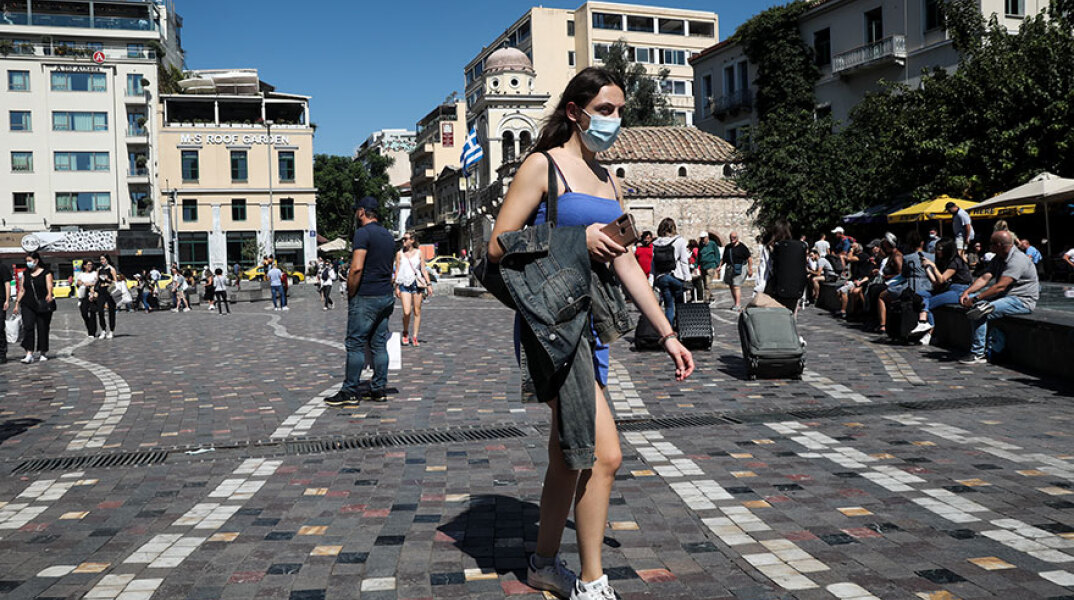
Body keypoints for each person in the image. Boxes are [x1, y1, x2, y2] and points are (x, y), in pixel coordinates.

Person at [484, 67, 694, 600]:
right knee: (604, 454)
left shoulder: (607, 177)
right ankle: (594, 581)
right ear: (576, 112)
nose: (614, 120)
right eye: (605, 110)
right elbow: (496, 247)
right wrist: (579, 237)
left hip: (593, 325)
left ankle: (543, 564)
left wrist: (668, 332)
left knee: (565, 455)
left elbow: (627, 266)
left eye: (620, 110)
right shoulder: (542, 166)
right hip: (554, 327)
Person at [325, 196, 396, 407]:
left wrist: (351, 292)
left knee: (355, 344)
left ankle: (349, 391)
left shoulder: (363, 234)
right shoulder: (388, 236)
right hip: (386, 296)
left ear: (362, 212)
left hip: (366, 295)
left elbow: (356, 267)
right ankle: (379, 389)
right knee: (379, 344)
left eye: (358, 211)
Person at [959, 230, 1039, 364]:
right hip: (1004, 297)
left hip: (1021, 300)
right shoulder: (999, 257)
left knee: (980, 310)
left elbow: (1000, 286)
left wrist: (976, 299)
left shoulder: (1017, 260)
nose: (988, 246)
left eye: (991, 244)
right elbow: (985, 277)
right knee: (971, 302)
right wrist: (967, 293)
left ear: (999, 245)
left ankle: (978, 353)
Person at [916, 238, 974, 344]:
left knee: (929, 302)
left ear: (947, 249)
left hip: (959, 290)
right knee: (919, 295)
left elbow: (942, 279)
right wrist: (927, 268)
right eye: (936, 249)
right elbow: (937, 283)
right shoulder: (944, 262)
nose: (937, 251)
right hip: (948, 289)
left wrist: (933, 266)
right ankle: (925, 325)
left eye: (940, 249)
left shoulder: (955, 261)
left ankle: (927, 329)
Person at [13, 252, 53, 363]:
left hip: (42, 304)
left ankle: (43, 352)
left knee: (42, 328)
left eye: (30, 260)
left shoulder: (46, 272)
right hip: (27, 304)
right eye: (27, 261)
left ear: (36, 260)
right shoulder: (25, 274)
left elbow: (49, 284)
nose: (28, 263)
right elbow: (22, 289)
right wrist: (17, 303)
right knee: (28, 326)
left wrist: (49, 294)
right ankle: (29, 353)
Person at [393, 231, 430, 346]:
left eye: (405, 239)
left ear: (412, 240)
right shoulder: (399, 254)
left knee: (417, 311)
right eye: (403, 239)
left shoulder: (419, 253)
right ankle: (405, 331)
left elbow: (423, 269)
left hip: (416, 283)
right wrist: (396, 286)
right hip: (404, 284)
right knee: (406, 311)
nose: (403, 241)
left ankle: (415, 336)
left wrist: (428, 284)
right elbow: (397, 270)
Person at [651, 218, 690, 324]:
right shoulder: (680, 241)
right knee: (680, 305)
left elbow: (653, 264)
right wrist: (688, 279)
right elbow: (683, 262)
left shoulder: (655, 243)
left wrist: (651, 282)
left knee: (669, 306)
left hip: (662, 278)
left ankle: (669, 331)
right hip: (676, 276)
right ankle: (682, 328)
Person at [763, 220, 807, 313]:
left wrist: (758, 292)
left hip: (775, 288)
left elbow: (765, 270)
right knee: (790, 318)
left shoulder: (770, 247)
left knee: (773, 319)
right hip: (794, 290)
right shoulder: (798, 246)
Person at [721, 231, 753, 311]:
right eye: (731, 237)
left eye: (734, 237)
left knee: (736, 285)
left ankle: (738, 304)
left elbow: (749, 258)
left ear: (737, 238)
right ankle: (736, 303)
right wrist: (719, 266)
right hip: (730, 268)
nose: (732, 239)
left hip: (740, 268)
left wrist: (750, 269)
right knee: (731, 285)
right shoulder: (728, 247)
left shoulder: (742, 247)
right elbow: (724, 258)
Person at [76, 260, 100, 338]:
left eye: (91, 264)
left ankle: (92, 332)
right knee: (84, 313)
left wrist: (91, 284)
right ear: (84, 266)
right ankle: (90, 328)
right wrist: (81, 283)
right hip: (83, 295)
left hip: (92, 294)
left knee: (92, 312)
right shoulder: (81, 274)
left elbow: (98, 282)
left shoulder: (95, 273)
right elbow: (78, 282)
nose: (90, 266)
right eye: (88, 264)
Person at [97, 255, 118, 336]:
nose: (102, 261)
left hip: (110, 290)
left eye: (103, 259)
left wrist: (108, 279)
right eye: (100, 259)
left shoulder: (111, 269)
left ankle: (111, 330)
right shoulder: (99, 269)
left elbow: (115, 282)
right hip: (101, 290)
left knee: (111, 311)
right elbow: (97, 281)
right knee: (100, 310)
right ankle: (103, 329)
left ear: (107, 259)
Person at [697, 231, 721, 302]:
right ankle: (711, 296)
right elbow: (699, 255)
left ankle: (706, 299)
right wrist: (696, 264)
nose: (702, 239)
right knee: (704, 283)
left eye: (703, 238)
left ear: (707, 237)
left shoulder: (712, 244)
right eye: (701, 238)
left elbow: (717, 253)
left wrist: (717, 263)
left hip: (710, 266)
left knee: (707, 283)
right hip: (703, 266)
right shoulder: (701, 245)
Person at [1, 260, 11, 363]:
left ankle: (2, 354)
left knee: (0, 328)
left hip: (0, 302)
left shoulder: (2, 267)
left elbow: (7, 284)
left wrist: (7, 300)